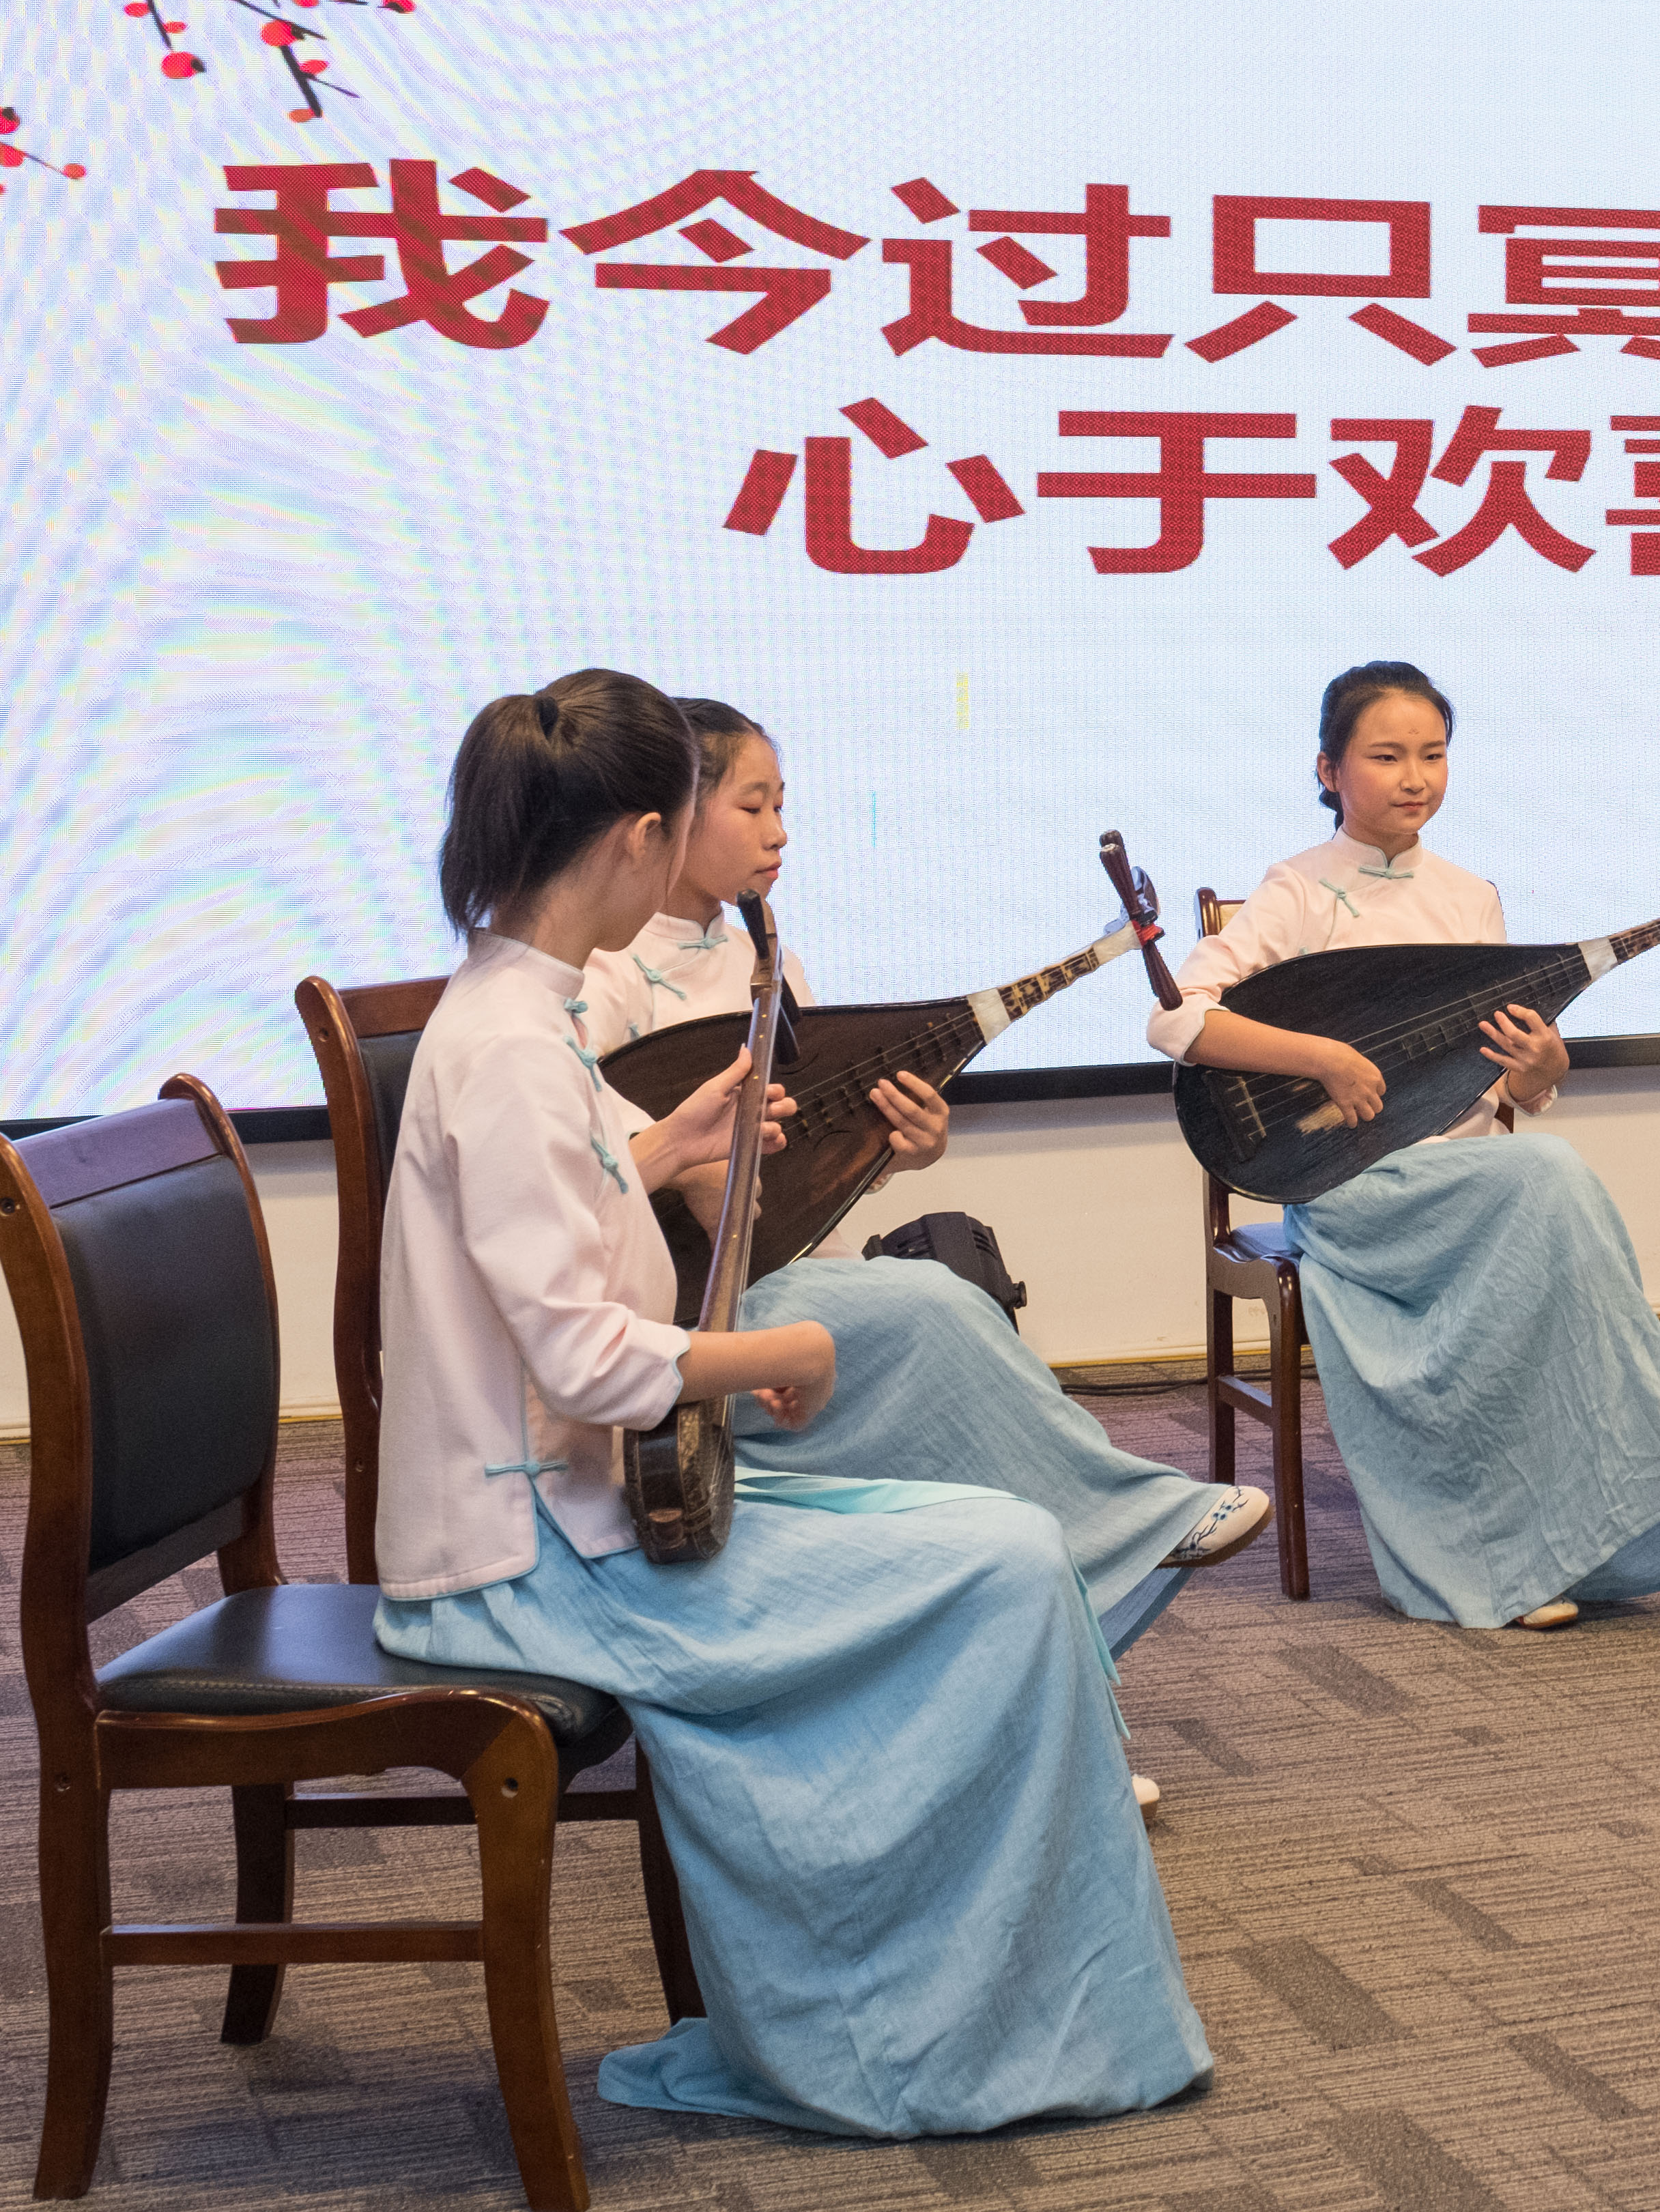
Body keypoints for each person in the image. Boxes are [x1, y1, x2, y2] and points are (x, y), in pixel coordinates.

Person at [371, 669, 1222, 2137]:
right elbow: (580, 1357)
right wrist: (787, 1356)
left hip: (571, 1516)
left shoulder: (520, 1007)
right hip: (527, 1565)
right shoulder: (513, 1045)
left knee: (1005, 1546)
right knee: (1006, 1565)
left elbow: (550, 1215)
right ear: (642, 836)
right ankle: (905, 2036)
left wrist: (668, 1142)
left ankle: (935, 2009)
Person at [579, 696, 1265, 1802]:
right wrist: (687, 1163)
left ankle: (1057, 1744)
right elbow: (594, 1180)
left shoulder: (768, 963)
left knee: (941, 1327)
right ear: (671, 814)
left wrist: (895, 1151)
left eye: (785, 806)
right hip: (667, 1317)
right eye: (754, 806)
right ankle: (1131, 1529)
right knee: (934, 1310)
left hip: (776, 1281)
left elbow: (793, 1181)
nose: (779, 832)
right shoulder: (600, 977)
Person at [1143, 659, 1660, 1631]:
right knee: (1549, 1174)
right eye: (1386, 756)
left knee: (1539, 1189)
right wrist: (1321, 1058)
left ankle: (1527, 1565)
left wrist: (1538, 1070)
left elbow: (1492, 1078)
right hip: (1353, 1187)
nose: (1415, 778)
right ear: (1328, 770)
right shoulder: (1296, 891)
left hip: (1469, 1178)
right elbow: (1176, 1019)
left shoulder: (1471, 897)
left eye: (1433, 755)